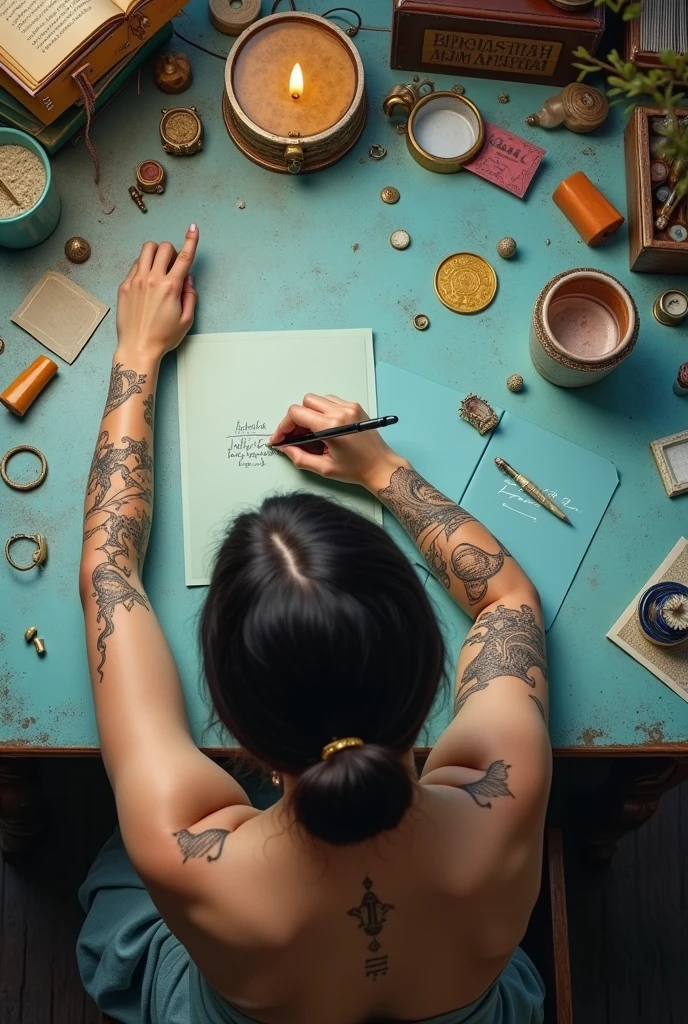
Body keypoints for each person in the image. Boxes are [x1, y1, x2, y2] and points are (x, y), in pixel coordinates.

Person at [77, 227, 550, 1024]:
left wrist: (137, 353)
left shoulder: (182, 845)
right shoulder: (509, 788)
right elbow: (507, 602)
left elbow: (106, 574)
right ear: (433, 672)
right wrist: (380, 466)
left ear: (235, 735)